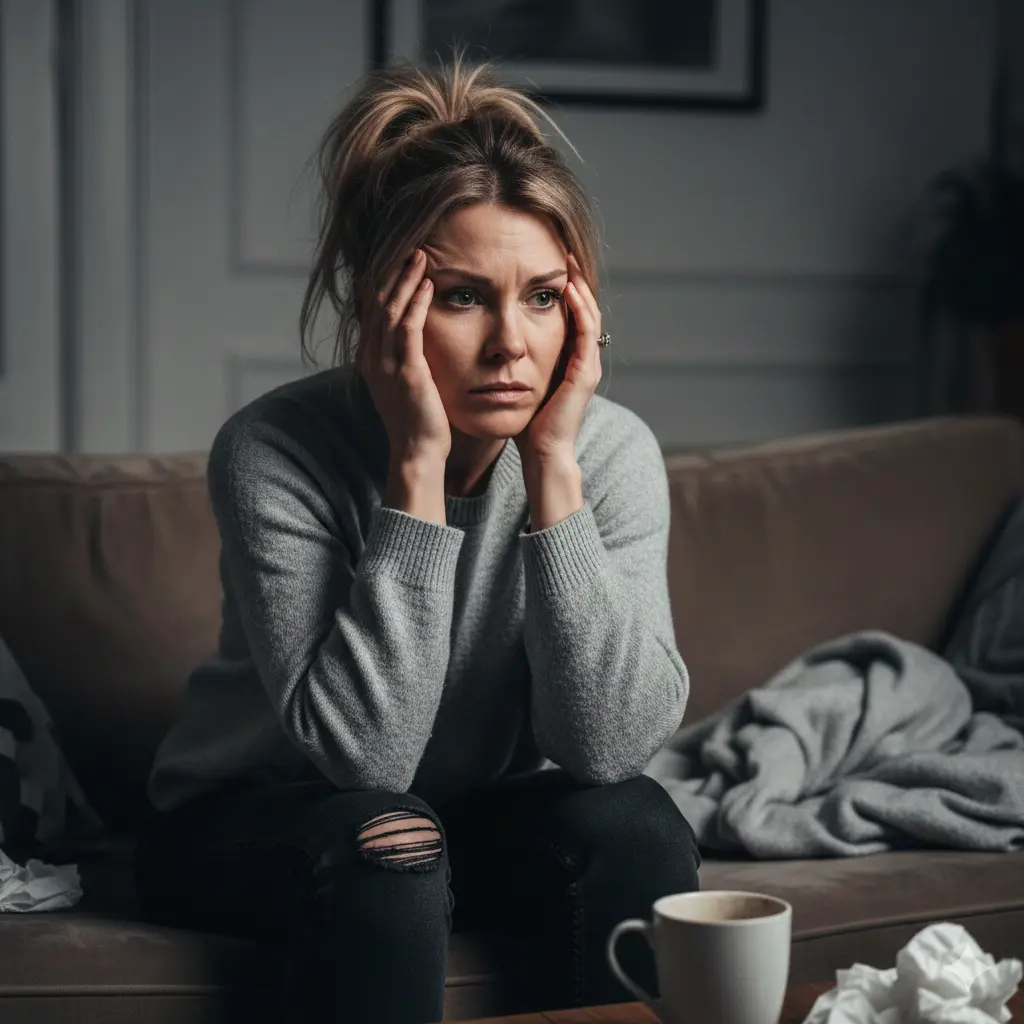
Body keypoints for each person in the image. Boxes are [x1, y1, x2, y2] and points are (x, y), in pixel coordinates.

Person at [134, 56, 701, 1024]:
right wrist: (416, 469)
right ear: (381, 308)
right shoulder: (275, 450)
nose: (512, 345)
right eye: (464, 296)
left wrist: (554, 471)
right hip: (264, 822)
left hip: (471, 820)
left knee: (641, 824)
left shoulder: (610, 452)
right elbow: (369, 760)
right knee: (391, 837)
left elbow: (607, 746)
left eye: (541, 297)